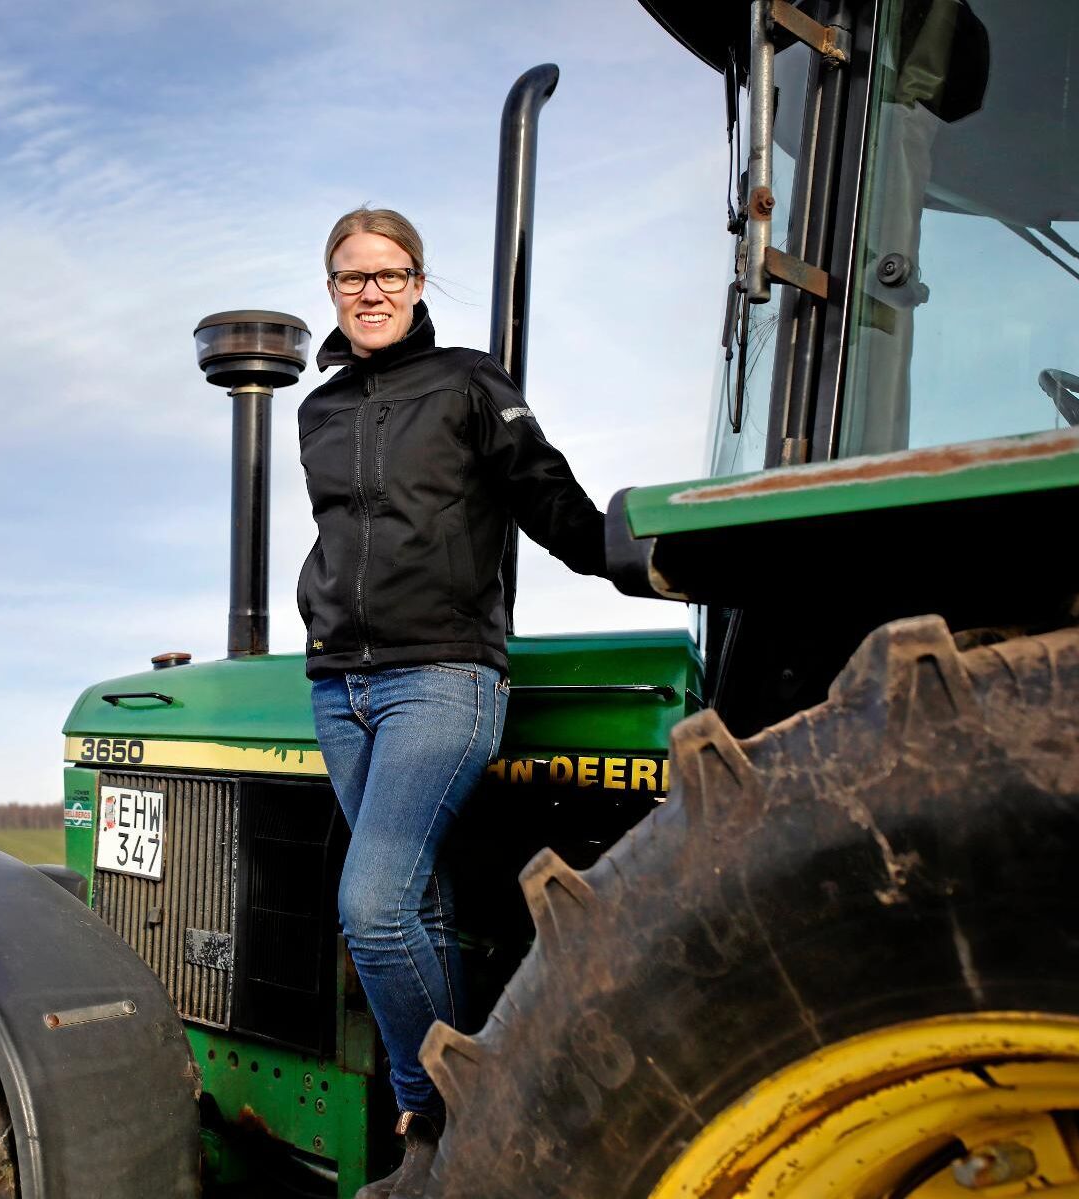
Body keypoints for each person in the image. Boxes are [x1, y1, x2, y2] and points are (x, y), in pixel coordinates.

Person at [296, 207, 606, 1198]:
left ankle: (439, 1111)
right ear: (332, 290)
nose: (371, 291)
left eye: (389, 274)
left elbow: (541, 489)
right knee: (416, 903)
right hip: (339, 684)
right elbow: (344, 537)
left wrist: (621, 553)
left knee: (372, 903)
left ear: (418, 283)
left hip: (441, 674)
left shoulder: (469, 382)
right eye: (352, 277)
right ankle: (450, 1133)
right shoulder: (318, 411)